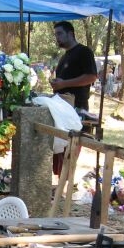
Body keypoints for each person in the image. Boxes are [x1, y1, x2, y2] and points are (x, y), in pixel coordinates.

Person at [50, 21, 98, 174]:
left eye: (59, 34)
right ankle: (60, 185)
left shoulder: (84, 52)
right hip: (62, 108)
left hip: (77, 108)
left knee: (70, 148)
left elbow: (91, 76)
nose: (57, 38)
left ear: (70, 33)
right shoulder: (64, 57)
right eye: (55, 34)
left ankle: (64, 186)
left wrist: (64, 84)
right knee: (60, 147)